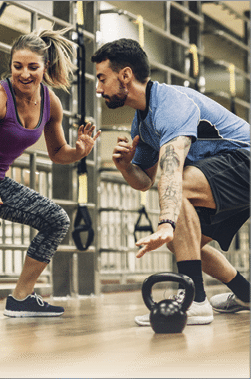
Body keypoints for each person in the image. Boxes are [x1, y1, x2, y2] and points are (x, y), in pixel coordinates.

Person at [0, 27, 100, 318]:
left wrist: (80, 152)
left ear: (44, 67)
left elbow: (57, 153)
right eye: (17, 66)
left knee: (56, 219)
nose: (24, 74)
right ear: (10, 65)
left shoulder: (51, 103)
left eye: (32, 67)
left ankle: (21, 298)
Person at [91, 38, 250, 326]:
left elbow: (172, 170)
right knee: (182, 244)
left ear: (125, 75)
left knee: (181, 188)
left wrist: (166, 222)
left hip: (244, 161)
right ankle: (245, 293)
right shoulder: (142, 122)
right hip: (224, 176)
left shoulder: (170, 104)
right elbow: (144, 181)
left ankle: (194, 301)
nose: (99, 88)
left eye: (102, 78)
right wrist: (126, 167)